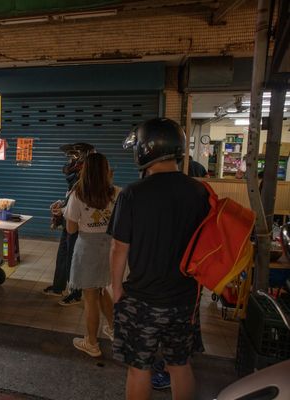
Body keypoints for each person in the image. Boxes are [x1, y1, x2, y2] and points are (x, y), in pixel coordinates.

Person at [108, 118, 210, 400]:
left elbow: (119, 246)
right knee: (180, 365)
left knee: (139, 368)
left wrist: (116, 287)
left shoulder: (132, 194)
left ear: (145, 149)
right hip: (185, 298)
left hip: (142, 299)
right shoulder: (199, 191)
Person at [64, 153, 117, 357]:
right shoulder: (116, 193)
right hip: (109, 247)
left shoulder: (78, 194)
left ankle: (92, 343)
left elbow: (70, 229)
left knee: (90, 297)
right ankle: (114, 330)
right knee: (102, 289)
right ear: (106, 170)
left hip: (87, 248)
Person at [43, 143, 95, 307]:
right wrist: (63, 204)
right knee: (63, 253)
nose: (70, 160)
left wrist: (65, 208)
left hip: (79, 223)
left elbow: (84, 202)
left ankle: (75, 292)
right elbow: (72, 195)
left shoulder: (89, 176)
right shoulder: (77, 174)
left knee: (73, 256)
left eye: (74, 155)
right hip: (69, 218)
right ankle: (59, 287)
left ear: (83, 156)